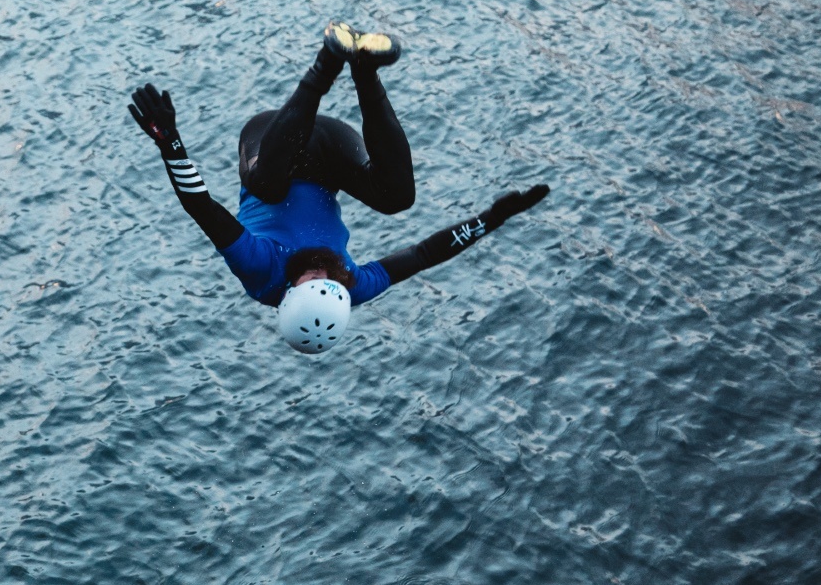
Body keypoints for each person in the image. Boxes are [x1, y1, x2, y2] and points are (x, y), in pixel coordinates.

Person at [128, 21, 549, 354]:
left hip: (268, 143)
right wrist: (492, 219)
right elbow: (423, 255)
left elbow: (201, 206)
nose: (319, 271)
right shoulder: (349, 284)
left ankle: (327, 62)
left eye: (308, 279)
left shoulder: (261, 271)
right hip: (331, 151)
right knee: (398, 199)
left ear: (289, 294)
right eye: (325, 278)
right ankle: (366, 71)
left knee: (268, 188)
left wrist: (170, 142)